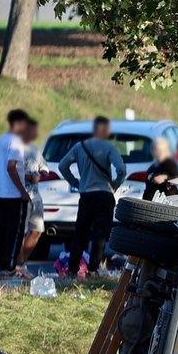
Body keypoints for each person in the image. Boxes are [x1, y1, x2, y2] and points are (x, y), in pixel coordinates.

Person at [58, 116, 126, 277]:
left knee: (80, 232)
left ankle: (73, 268)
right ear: (105, 130)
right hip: (104, 194)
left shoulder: (80, 146)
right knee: (100, 234)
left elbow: (62, 165)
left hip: (86, 194)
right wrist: (116, 183)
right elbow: (121, 168)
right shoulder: (108, 147)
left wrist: (75, 182)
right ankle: (93, 268)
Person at [0, 109, 34, 279]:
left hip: (0, 192)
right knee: (15, 233)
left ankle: (2, 267)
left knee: (1, 230)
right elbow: (11, 167)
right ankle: (10, 268)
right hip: (13, 195)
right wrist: (23, 191)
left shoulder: (0, 140)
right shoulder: (17, 142)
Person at [16, 117, 47, 275]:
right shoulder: (14, 149)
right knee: (19, 232)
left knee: (37, 230)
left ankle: (21, 262)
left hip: (36, 196)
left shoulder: (35, 149)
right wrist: (27, 177)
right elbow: (9, 170)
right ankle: (20, 266)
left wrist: (41, 174)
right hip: (20, 195)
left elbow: (44, 167)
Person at [143, 136, 178, 201]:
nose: (159, 153)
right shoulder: (152, 168)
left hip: (166, 204)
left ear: (167, 151)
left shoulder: (170, 165)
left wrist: (165, 178)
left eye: (161, 151)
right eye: (156, 150)